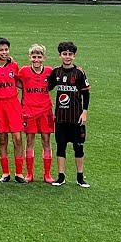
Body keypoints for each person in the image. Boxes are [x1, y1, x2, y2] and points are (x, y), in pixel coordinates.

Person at [47, 41, 91, 188]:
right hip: (60, 118)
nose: (67, 57)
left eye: (70, 54)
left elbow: (86, 94)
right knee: (61, 146)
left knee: (78, 148)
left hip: (76, 117)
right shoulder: (55, 72)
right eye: (64, 54)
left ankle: (80, 177)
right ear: (60, 55)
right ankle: (61, 176)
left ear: (74, 56)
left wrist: (84, 112)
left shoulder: (79, 72)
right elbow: (46, 87)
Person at [0, 37, 25, 184]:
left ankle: (19, 173)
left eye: (6, 49)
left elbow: (20, 82)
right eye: (1, 50)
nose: (4, 52)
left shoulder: (14, 65)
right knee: (2, 139)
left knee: (18, 138)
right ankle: (5, 173)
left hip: (13, 105)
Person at [17, 44, 54, 183]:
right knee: (30, 141)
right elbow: (17, 82)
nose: (36, 59)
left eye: (39, 57)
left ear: (44, 58)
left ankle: (47, 174)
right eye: (34, 57)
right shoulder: (24, 71)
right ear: (30, 57)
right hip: (28, 111)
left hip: (45, 111)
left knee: (46, 140)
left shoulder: (50, 71)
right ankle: (30, 173)